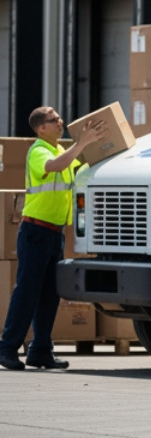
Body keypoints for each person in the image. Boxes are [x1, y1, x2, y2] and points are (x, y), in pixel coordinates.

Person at [0, 107, 103, 372]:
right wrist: (82, 143)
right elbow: (54, 166)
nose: (60, 122)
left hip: (54, 232)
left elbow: (77, 166)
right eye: (53, 119)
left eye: (59, 118)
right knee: (27, 291)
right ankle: (7, 348)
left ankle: (41, 351)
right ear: (41, 128)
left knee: (49, 294)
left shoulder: (60, 150)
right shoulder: (38, 151)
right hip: (35, 231)